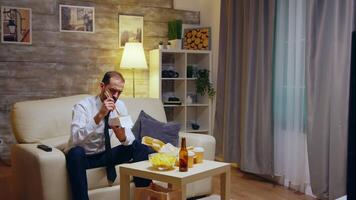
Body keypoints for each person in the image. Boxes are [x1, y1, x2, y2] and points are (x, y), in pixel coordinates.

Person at [65, 71, 152, 200]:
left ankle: (142, 196)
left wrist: (121, 136)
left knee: (140, 147)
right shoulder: (83, 106)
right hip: (85, 158)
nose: (116, 96)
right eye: (112, 90)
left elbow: (130, 138)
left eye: (119, 92)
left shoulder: (120, 106)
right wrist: (100, 115)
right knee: (75, 153)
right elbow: (76, 138)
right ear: (102, 87)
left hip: (105, 154)